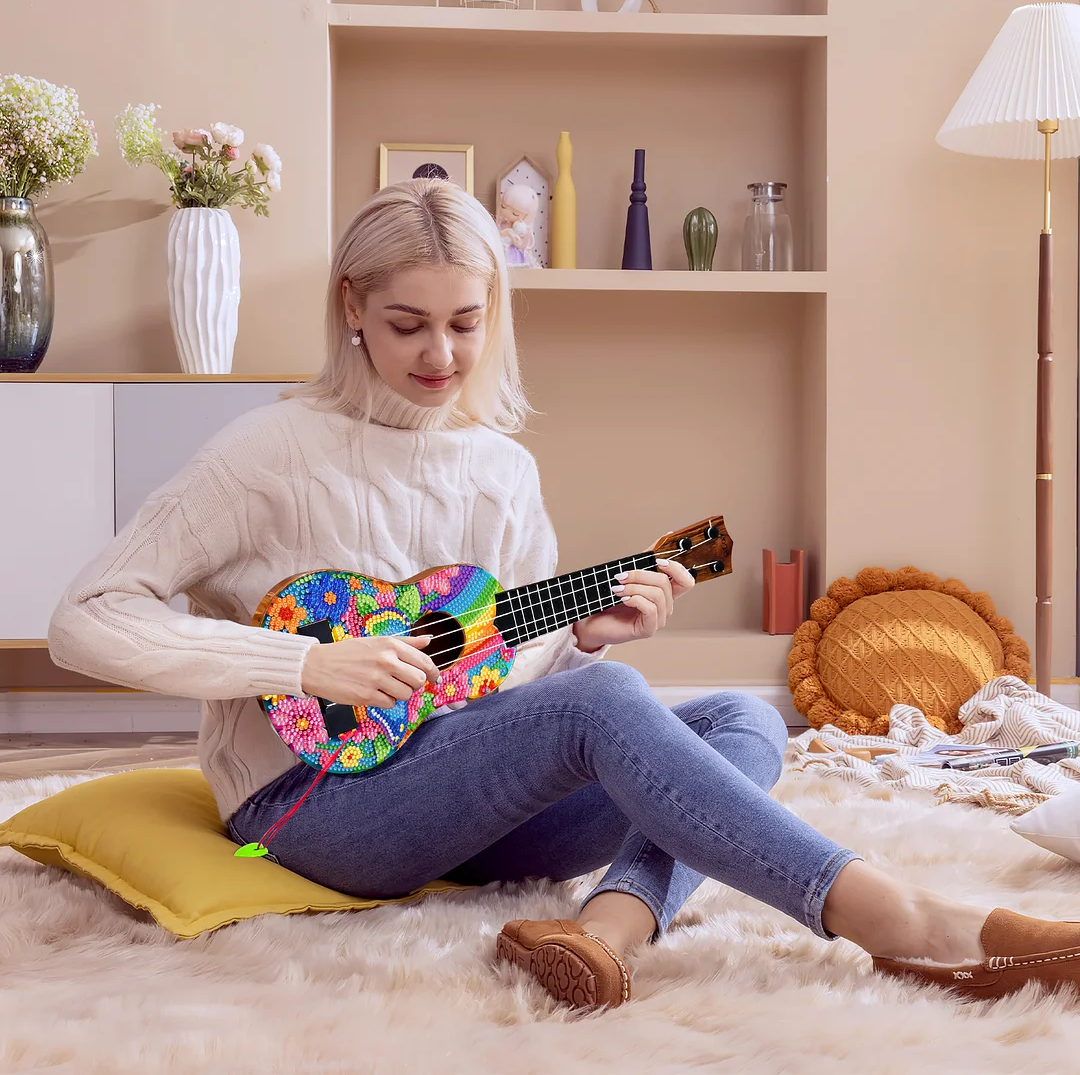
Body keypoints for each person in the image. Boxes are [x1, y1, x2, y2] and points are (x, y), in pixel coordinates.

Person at [49, 179, 1080, 1011]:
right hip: (316, 806)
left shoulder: (499, 468)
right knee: (610, 706)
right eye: (407, 323)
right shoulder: (264, 453)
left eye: (465, 322)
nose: (441, 356)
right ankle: (896, 919)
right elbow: (86, 619)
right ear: (351, 307)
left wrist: (580, 636)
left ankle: (603, 932)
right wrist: (306, 663)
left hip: (462, 802)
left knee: (738, 714)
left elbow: (495, 681)